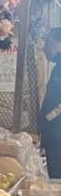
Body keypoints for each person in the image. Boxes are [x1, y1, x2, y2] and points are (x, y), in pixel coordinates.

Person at [40, 28, 61, 177]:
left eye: (48, 43)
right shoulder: (58, 67)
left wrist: (48, 118)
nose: (44, 48)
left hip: (57, 134)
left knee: (57, 175)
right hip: (54, 133)